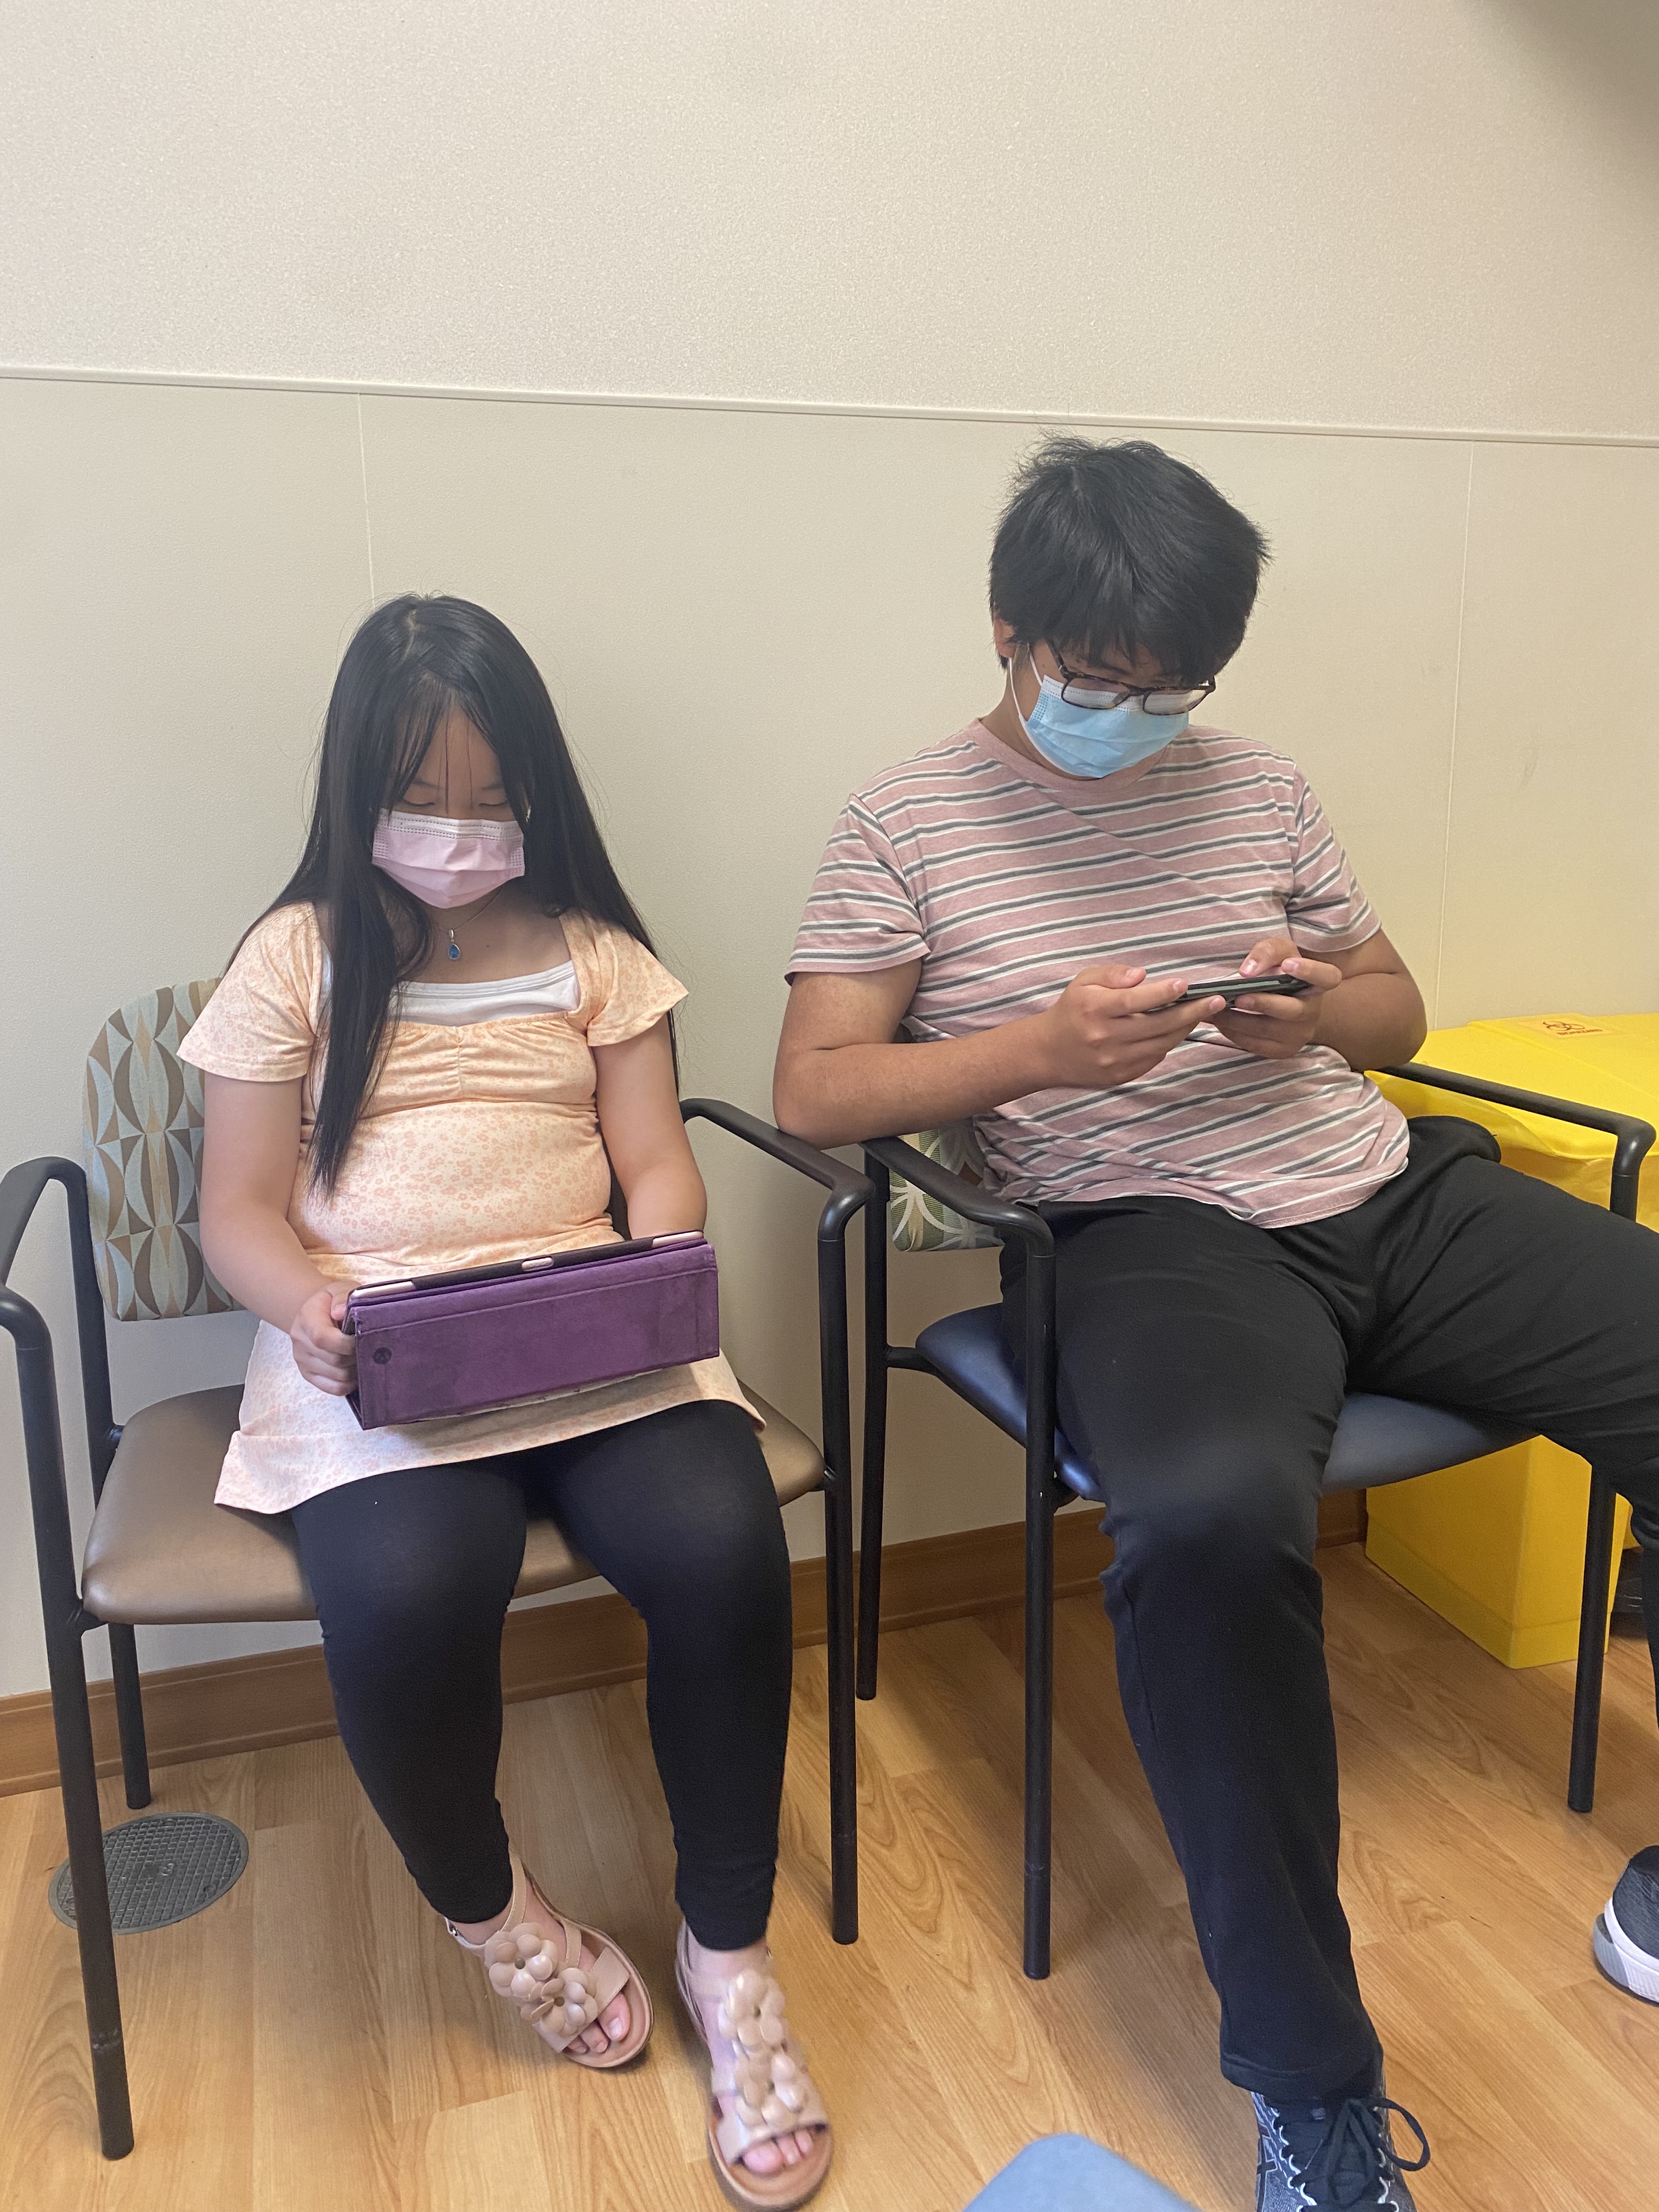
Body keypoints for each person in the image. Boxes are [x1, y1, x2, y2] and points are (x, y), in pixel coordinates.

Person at [772, 436, 1659, 2211]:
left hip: (1385, 1188)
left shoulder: (1263, 788)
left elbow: (1399, 1009)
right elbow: (813, 1089)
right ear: (1011, 631)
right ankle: (1313, 2092)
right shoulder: (903, 821)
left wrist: (1317, 1014)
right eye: (1102, 683)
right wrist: (1039, 1049)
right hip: (1152, 1239)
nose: (1140, 718)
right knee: (1201, 1527)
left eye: (1175, 689)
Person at [185, 594, 832, 2210]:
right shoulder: (293, 958)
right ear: (356, 787)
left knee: (724, 1546)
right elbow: (237, 1211)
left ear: (542, 789)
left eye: (494, 799)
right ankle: (504, 1921)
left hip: (588, 1332)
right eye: (424, 797)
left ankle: (729, 1956)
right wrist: (306, 1307)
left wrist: (664, 1247)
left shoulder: (599, 954)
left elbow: (655, 1158)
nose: (461, 832)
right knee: (409, 1596)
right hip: (379, 1354)